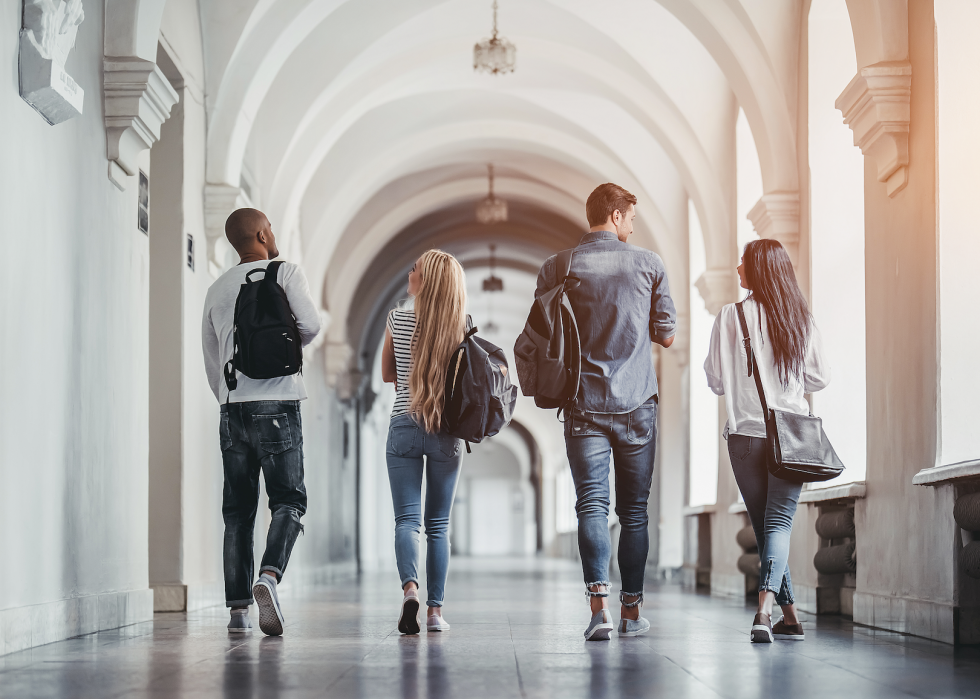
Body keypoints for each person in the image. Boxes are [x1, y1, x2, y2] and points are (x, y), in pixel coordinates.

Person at [535, 183, 676, 641]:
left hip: (583, 405)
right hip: (637, 405)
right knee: (634, 512)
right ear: (615, 216)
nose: (633, 226)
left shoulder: (557, 266)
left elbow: (543, 333)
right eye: (631, 217)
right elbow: (667, 334)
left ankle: (599, 612)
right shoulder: (649, 263)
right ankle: (632, 613)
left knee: (590, 506)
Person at [201, 208, 321, 635]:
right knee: (288, 500)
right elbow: (311, 325)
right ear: (261, 232)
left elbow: (212, 359)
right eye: (269, 227)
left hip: (232, 406)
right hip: (279, 402)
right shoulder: (284, 272)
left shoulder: (216, 287)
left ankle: (237, 611)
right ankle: (268, 577)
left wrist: (230, 396)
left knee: (237, 510)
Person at [704, 238, 830, 643]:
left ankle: (776, 613)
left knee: (765, 527)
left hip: (744, 437)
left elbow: (717, 381)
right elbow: (819, 378)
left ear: (758, 269)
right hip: (790, 436)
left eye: (743, 261)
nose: (737, 267)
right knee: (774, 526)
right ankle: (775, 613)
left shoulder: (729, 316)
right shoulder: (799, 317)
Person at [381, 250, 467, 635]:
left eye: (414, 267)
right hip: (446, 430)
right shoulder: (461, 325)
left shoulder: (396, 318)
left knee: (407, 521)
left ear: (425, 281)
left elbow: (388, 375)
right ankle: (434, 613)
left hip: (403, 423)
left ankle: (410, 590)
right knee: (438, 526)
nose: (409, 270)